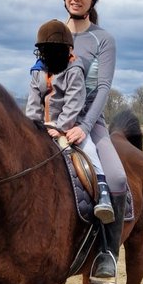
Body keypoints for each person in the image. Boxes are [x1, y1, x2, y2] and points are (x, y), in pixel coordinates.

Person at [57, 0, 126, 284]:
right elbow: (40, 79)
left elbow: (102, 88)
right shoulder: (52, 33)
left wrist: (83, 126)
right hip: (52, 118)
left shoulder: (103, 39)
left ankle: (107, 254)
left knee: (116, 176)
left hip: (90, 121)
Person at [25, 20, 115, 225]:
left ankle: (102, 193)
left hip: (70, 125)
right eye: (47, 50)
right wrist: (33, 127)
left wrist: (61, 127)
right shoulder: (37, 71)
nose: (51, 53)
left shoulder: (74, 70)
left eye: (56, 50)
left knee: (89, 149)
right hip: (43, 128)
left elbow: (74, 101)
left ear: (68, 50)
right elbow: (33, 103)